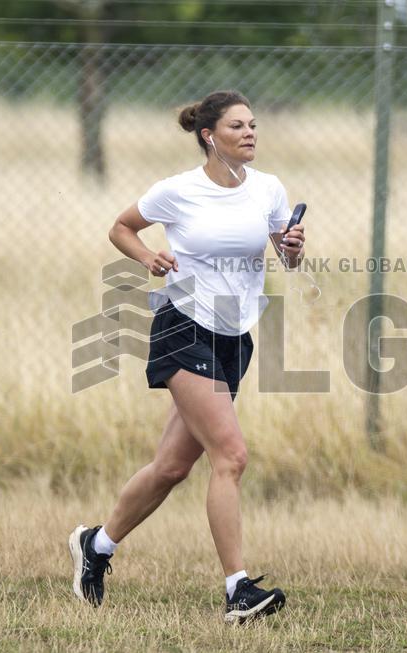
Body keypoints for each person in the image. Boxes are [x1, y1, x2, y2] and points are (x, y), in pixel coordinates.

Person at [68, 90, 306, 623]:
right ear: (208, 135)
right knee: (232, 456)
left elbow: (286, 257)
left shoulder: (268, 189)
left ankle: (96, 546)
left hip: (234, 336)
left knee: (172, 467)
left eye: (253, 125)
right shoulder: (177, 191)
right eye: (237, 126)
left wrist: (292, 246)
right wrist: (148, 254)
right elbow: (120, 227)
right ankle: (238, 590)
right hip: (182, 326)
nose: (250, 133)